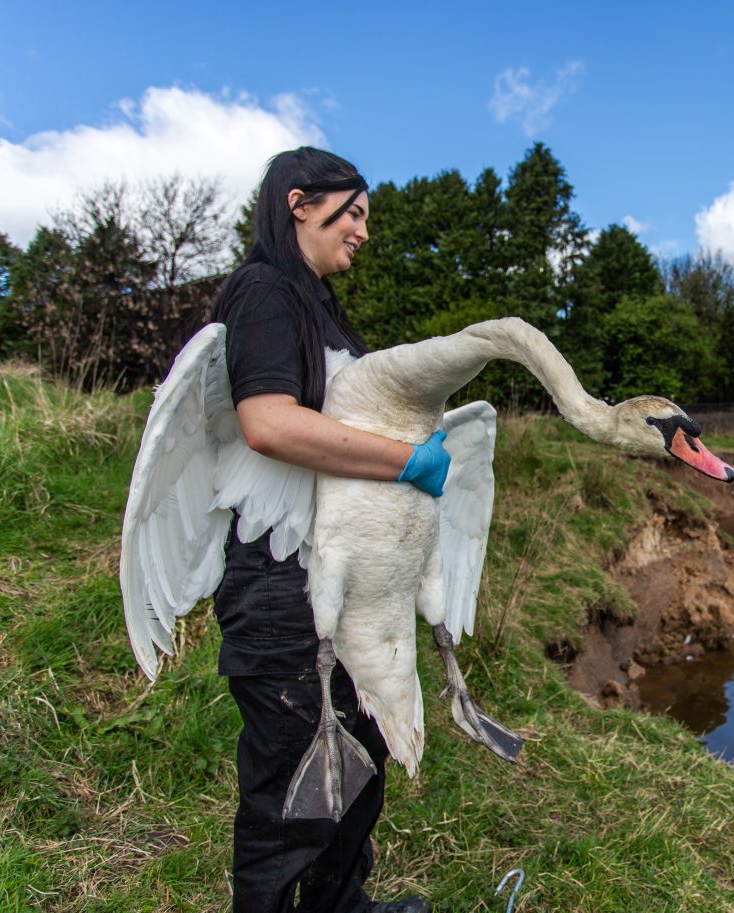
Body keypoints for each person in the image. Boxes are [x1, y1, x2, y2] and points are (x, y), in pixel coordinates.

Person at [209, 147, 442, 913]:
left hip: (341, 576)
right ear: (300, 202)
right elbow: (269, 424)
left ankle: (342, 905)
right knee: (292, 787)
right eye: (356, 214)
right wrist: (406, 460)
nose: (365, 234)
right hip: (280, 583)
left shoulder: (317, 306)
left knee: (360, 754)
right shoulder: (263, 291)